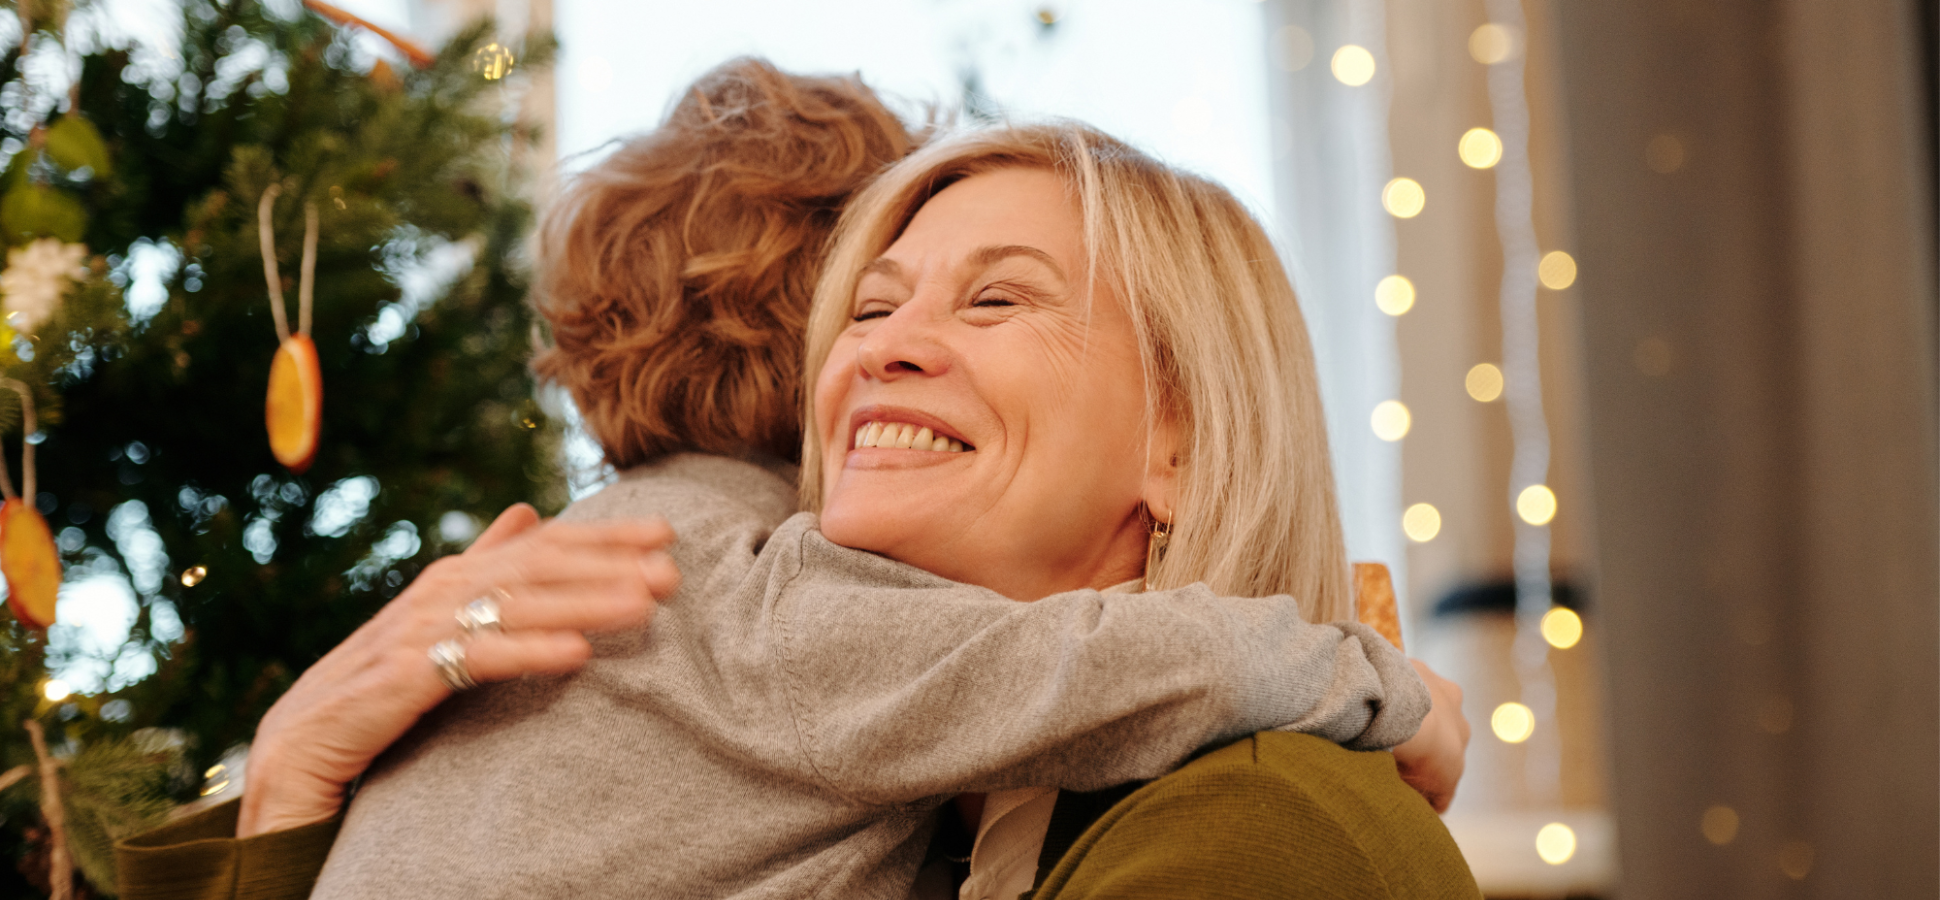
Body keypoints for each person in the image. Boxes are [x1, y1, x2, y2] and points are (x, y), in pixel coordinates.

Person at [117, 65, 1470, 900]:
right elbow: (1080, 671)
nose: (887, 349)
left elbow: (1075, 673)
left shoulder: (1250, 831)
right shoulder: (740, 592)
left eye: (996, 296)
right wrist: (1372, 683)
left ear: (1182, 435)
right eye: (864, 306)